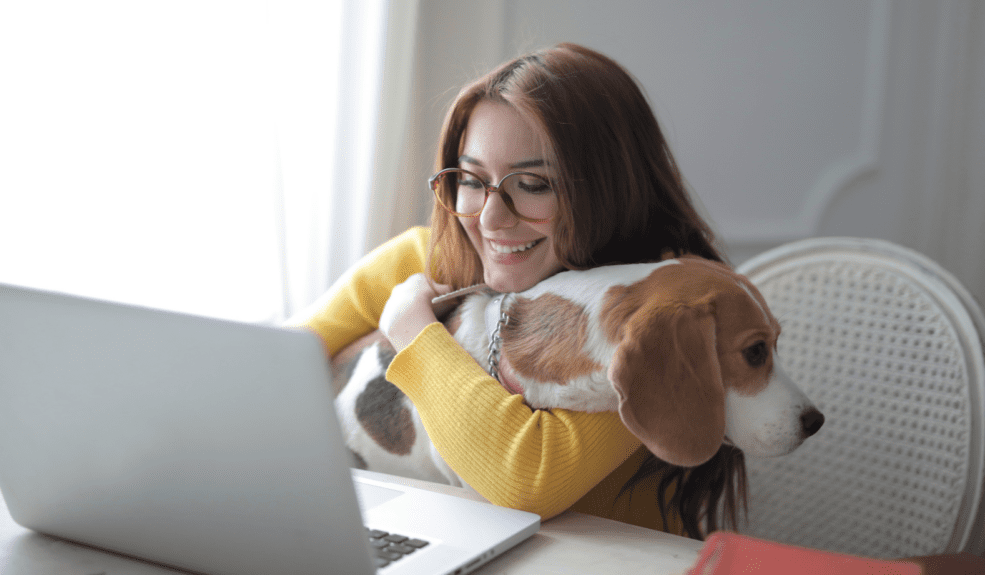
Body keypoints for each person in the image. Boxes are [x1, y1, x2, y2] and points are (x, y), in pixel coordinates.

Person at [296, 42, 742, 540]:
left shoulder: (649, 320)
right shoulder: (422, 259)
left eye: (531, 184)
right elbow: (271, 365)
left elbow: (526, 481)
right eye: (470, 179)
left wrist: (413, 332)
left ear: (613, 190)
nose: (490, 218)